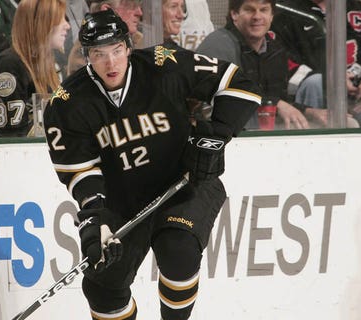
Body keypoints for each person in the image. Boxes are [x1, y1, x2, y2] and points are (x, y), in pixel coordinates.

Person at [44, 9, 261, 320]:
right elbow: (82, 172)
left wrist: (214, 137)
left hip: (185, 182)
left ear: (129, 47)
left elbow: (240, 84)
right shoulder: (67, 104)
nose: (111, 62)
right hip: (124, 199)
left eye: (117, 50)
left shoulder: (163, 65)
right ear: (87, 55)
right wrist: (96, 222)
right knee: (102, 289)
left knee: (177, 249)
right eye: (99, 54)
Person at [197, 0, 342, 129]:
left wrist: (309, 111)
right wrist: (276, 104)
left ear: (272, 16)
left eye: (264, 10)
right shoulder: (218, 45)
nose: (257, 17)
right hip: (222, 137)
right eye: (249, 10)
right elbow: (227, 99)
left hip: (262, 135)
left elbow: (277, 101)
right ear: (234, 14)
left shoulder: (275, 50)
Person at [271, 0, 361, 127]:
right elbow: (280, 61)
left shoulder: (358, 8)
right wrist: (333, 80)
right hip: (316, 96)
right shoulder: (285, 12)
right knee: (315, 82)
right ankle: (315, 142)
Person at [0, 0, 70, 137]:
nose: (67, 26)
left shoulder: (48, 66)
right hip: (4, 155)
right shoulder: (8, 67)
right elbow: (14, 135)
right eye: (60, 19)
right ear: (40, 24)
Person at [67, 0, 144, 74]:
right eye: (131, 5)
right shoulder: (83, 56)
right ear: (107, 10)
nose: (139, 13)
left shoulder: (138, 39)